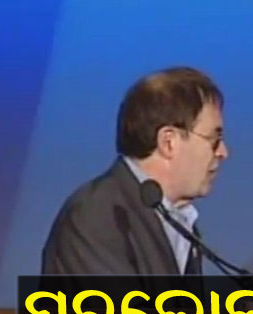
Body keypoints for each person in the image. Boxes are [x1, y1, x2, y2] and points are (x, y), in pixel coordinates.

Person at [42, 67, 229, 275]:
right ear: (169, 142)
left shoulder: (179, 222)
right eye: (214, 139)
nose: (223, 152)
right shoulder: (98, 215)